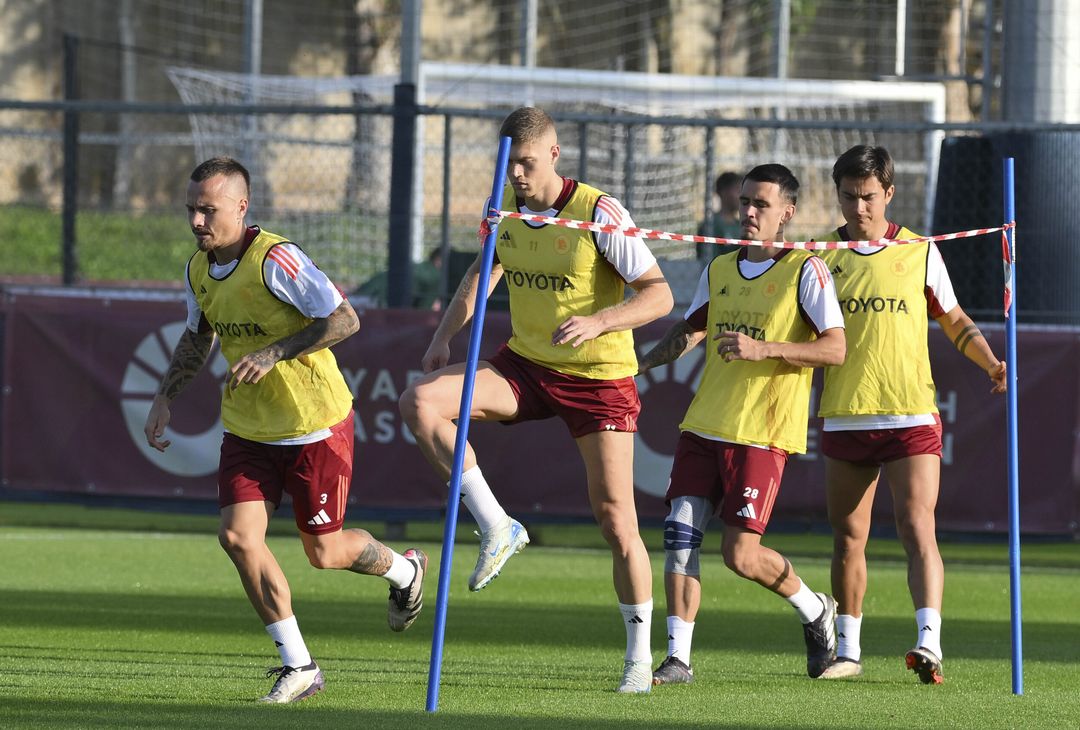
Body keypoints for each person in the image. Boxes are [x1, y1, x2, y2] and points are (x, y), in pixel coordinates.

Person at [398, 107, 674, 693]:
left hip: (599, 377)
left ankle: (639, 660)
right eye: (509, 163)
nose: (518, 174)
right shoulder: (503, 211)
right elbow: (483, 271)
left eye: (526, 162)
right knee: (418, 402)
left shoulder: (597, 212)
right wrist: (444, 335)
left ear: (552, 154)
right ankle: (498, 526)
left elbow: (659, 295)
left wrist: (600, 322)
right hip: (527, 365)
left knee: (615, 518)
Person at [143, 157, 427, 704]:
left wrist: (276, 351)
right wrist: (164, 397)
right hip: (249, 429)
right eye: (191, 210)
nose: (198, 222)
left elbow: (346, 319)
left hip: (314, 424)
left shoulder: (277, 259)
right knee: (236, 538)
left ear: (242, 207)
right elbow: (197, 337)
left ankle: (403, 570)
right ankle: (299, 665)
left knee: (323, 552)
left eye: (209, 210)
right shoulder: (197, 271)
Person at [638, 163, 846, 686]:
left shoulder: (806, 270)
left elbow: (836, 348)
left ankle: (815, 608)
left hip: (762, 431)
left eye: (762, 205)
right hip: (704, 424)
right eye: (746, 202)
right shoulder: (721, 268)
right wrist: (636, 364)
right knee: (679, 536)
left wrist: (764, 349)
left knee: (740, 555)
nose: (750, 212)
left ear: (787, 214)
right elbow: (691, 331)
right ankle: (678, 659)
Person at [814, 145, 1007, 684]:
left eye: (869, 196)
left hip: (910, 413)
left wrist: (991, 362)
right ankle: (848, 650)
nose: (859, 207)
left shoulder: (920, 252)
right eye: (849, 196)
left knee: (917, 525)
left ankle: (929, 645)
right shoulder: (819, 256)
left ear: (889, 194)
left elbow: (954, 318)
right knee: (848, 536)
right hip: (846, 412)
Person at [354, 247, 444, 310]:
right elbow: (424, 313)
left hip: (362, 295)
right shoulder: (434, 276)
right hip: (376, 301)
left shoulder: (419, 267)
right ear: (438, 260)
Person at [695, 171, 742, 263]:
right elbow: (709, 260)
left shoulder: (741, 225)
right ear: (723, 192)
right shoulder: (711, 225)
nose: (741, 196)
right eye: (738, 190)